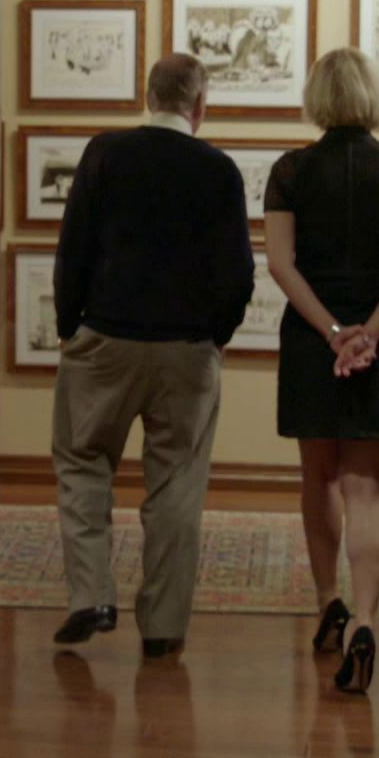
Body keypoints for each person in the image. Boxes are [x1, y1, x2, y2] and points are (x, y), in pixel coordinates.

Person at [48, 53, 255, 658]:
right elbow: (238, 273)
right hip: (187, 349)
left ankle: (91, 595)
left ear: (148, 96)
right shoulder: (218, 170)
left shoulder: (105, 154)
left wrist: (69, 327)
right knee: (178, 482)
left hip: (105, 339)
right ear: (200, 105)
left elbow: (73, 249)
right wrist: (216, 335)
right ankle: (163, 627)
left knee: (82, 462)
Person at [263, 47, 379, 695]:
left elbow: (281, 263)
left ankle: (328, 604)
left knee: (319, 475)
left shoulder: (291, 171)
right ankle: (365, 621)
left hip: (314, 341)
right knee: (366, 485)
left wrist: (333, 333)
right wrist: (370, 333)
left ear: (317, 98)